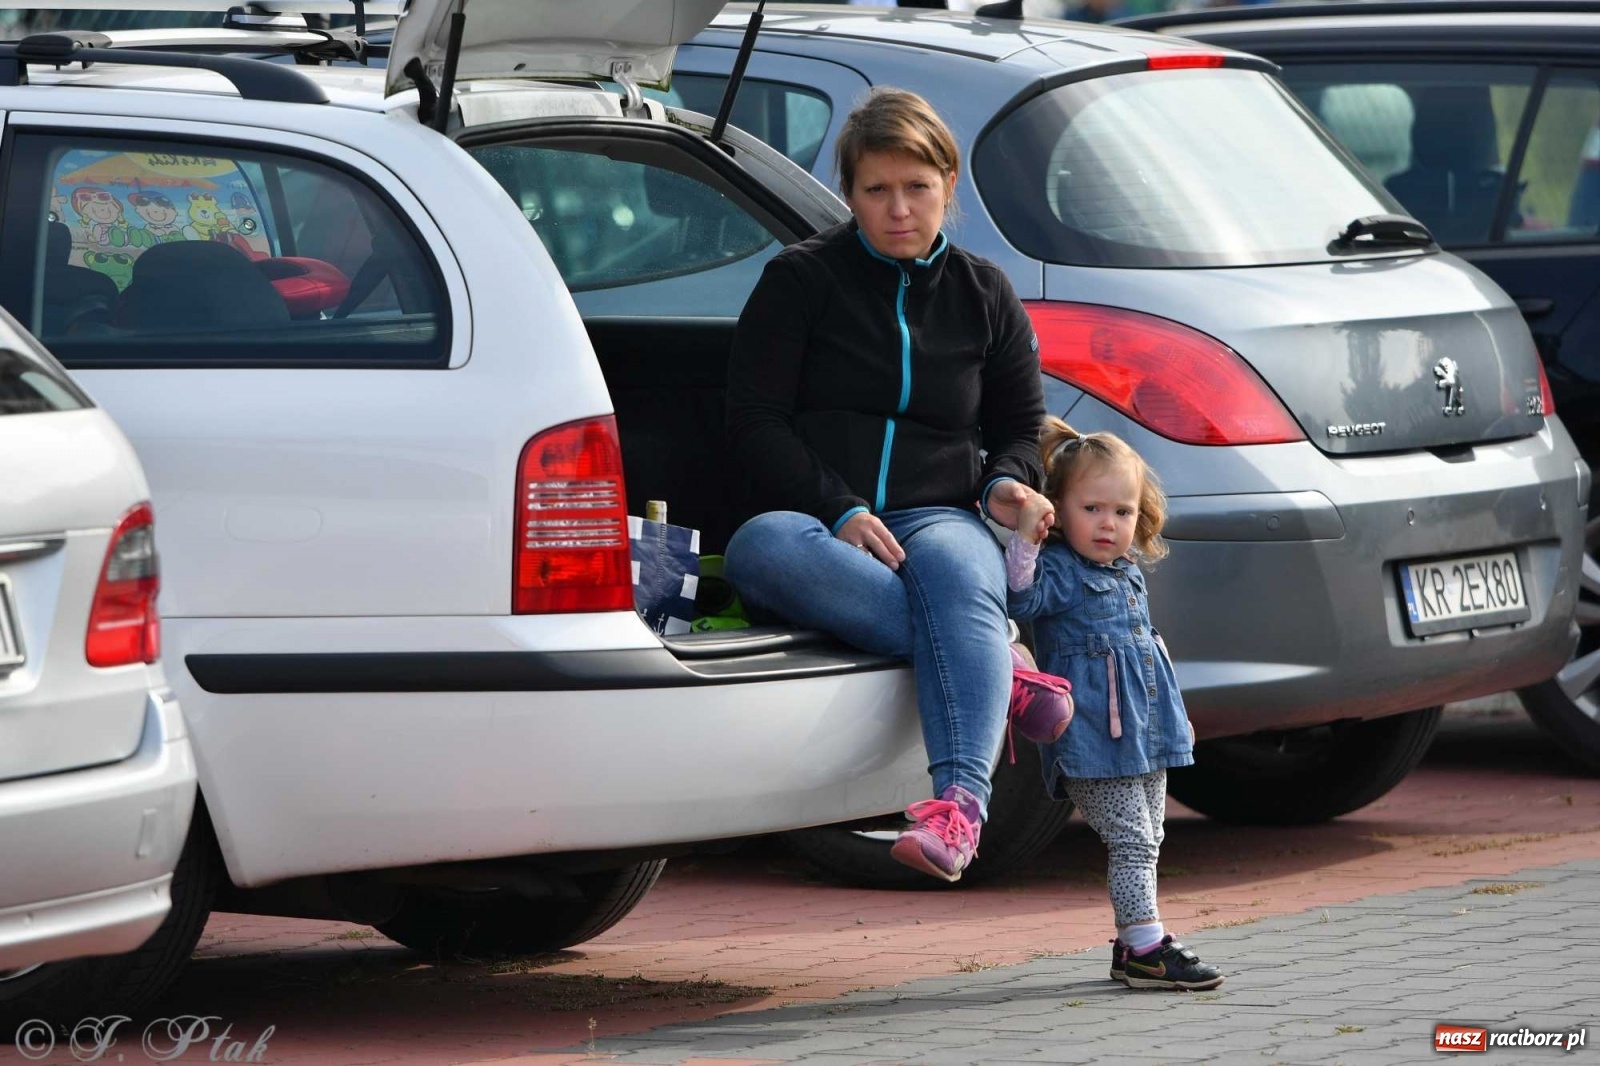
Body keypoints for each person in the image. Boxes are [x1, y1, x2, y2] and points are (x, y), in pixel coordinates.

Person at [723, 87, 1065, 883]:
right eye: (877, 190)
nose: (899, 208)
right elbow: (754, 422)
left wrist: (1005, 490)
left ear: (949, 184)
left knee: (958, 575)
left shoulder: (987, 293)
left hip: (945, 516)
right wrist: (837, 506)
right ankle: (1001, 668)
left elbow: (1022, 431)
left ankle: (959, 812)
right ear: (849, 195)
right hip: (823, 525)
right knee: (757, 546)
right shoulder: (801, 281)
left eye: (917, 187)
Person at [1006, 418, 1225, 991]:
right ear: (1060, 508)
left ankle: (1132, 950)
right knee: (1131, 840)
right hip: (1093, 738)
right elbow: (1020, 595)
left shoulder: (1126, 572)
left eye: (1122, 512)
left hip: (1146, 730)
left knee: (1149, 835)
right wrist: (1026, 538)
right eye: (1093, 508)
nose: (1109, 524)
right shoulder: (1059, 570)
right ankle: (1150, 945)